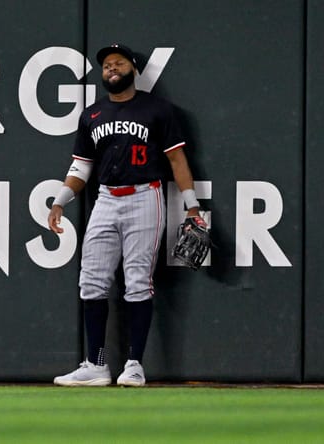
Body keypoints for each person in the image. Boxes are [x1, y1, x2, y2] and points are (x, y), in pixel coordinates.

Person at [50, 43, 205, 386]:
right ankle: (96, 364)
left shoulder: (158, 110)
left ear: (133, 69)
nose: (111, 69)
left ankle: (134, 363)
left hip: (145, 195)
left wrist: (193, 205)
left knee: (137, 282)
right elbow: (82, 166)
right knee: (91, 281)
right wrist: (61, 199)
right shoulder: (92, 115)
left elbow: (178, 161)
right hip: (106, 198)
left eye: (118, 63)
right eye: (106, 65)